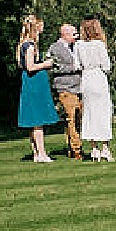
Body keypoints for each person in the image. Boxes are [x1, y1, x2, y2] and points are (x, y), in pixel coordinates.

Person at [15, 15, 59, 162]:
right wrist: (47, 64)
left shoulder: (23, 44)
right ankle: (41, 153)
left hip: (30, 83)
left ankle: (36, 153)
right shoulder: (29, 46)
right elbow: (30, 66)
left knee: (34, 121)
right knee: (37, 120)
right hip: (34, 83)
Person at [76, 17, 115, 161]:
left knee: (90, 113)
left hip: (86, 79)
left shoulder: (78, 45)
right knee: (103, 113)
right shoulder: (99, 45)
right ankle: (105, 147)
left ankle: (94, 148)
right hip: (98, 77)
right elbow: (106, 65)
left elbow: (77, 65)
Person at [46, 23, 86, 159]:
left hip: (79, 87)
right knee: (71, 119)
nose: (77, 36)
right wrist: (73, 67)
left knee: (79, 119)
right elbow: (52, 68)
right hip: (65, 88)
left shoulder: (77, 47)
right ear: (65, 34)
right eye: (74, 34)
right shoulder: (54, 48)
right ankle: (76, 150)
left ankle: (73, 146)